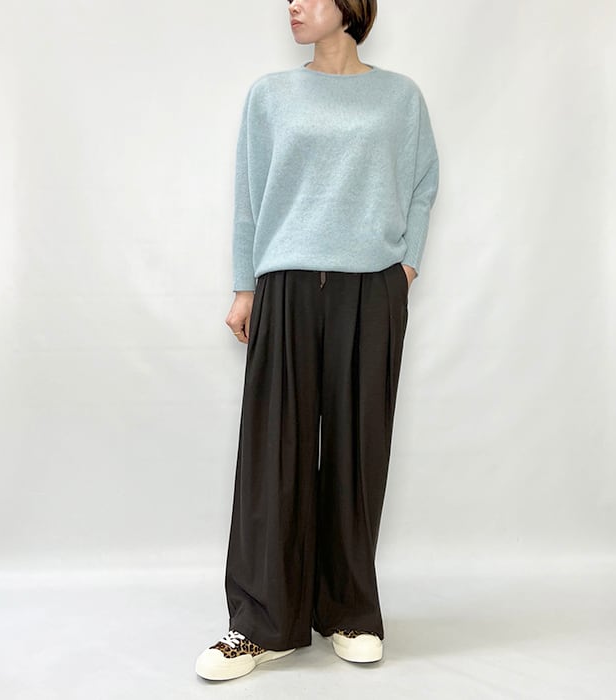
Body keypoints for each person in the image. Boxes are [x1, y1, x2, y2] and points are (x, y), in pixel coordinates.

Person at [196, 0, 439, 682]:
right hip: (287, 286)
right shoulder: (271, 94)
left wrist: (406, 265)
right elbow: (249, 196)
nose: (294, 6)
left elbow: (423, 183)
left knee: (360, 451)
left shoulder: (399, 97)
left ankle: (350, 612)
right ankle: (262, 624)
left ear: (351, 7)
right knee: (275, 451)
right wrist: (245, 286)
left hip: (372, 289)